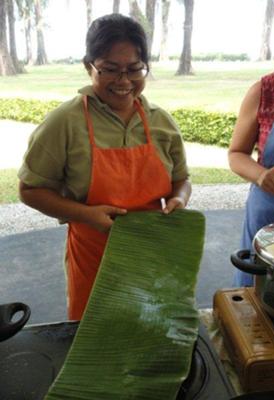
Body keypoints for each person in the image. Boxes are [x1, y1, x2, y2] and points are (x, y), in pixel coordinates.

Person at [18, 14, 191, 320]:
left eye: (134, 69)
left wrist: (179, 199)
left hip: (153, 257)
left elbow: (182, 180)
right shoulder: (65, 122)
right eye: (110, 69)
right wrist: (85, 214)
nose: (124, 81)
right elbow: (29, 190)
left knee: (149, 334)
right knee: (95, 344)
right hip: (94, 258)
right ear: (89, 67)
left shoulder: (161, 121)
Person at [228, 0, 274, 287]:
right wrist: (261, 174)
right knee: (257, 301)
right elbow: (236, 154)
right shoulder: (265, 90)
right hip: (267, 225)